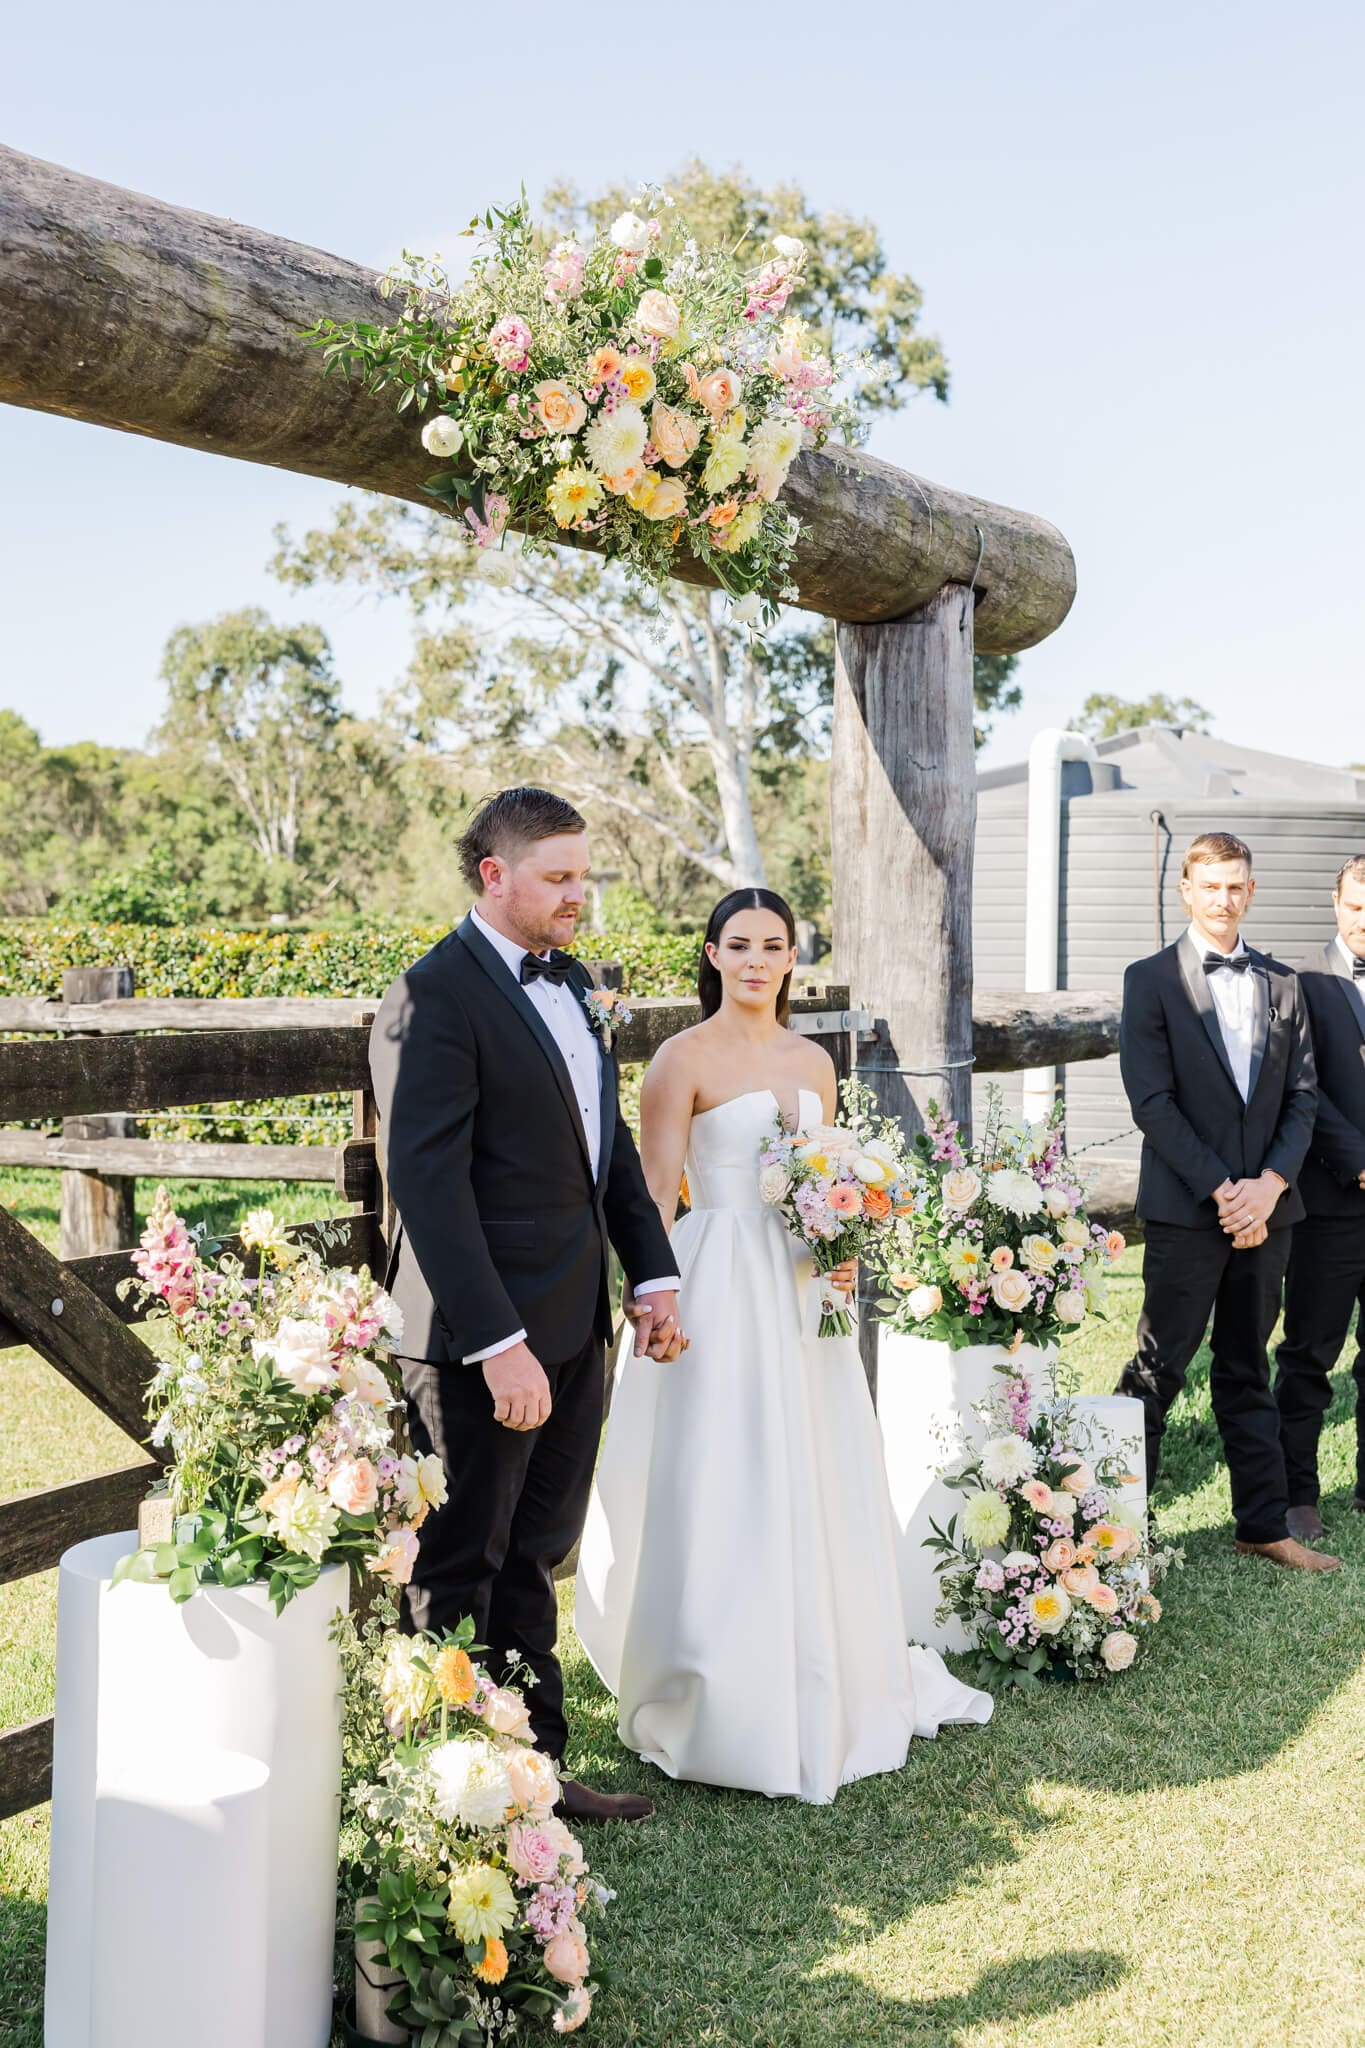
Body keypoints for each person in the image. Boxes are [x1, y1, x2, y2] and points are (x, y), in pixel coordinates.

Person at [575, 887, 993, 1803]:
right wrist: (646, 1296)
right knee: (723, 1467)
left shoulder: (814, 1062)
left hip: (806, 1289)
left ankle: (824, 1667)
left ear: (792, 958)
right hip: (715, 1277)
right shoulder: (678, 1060)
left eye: (774, 945)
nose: (757, 960)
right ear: (713, 954)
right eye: (740, 944)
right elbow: (649, 1193)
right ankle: (713, 1685)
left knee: (813, 1461)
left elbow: (829, 1177)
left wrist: (842, 1254)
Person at [369, 786, 686, 1823]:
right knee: (460, 1563)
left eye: (583, 874)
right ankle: (446, 1793)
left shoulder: (575, 985)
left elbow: (607, 1153)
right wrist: (498, 1341)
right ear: (492, 874)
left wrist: (651, 1273)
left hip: (573, 1326)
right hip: (479, 1339)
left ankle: (535, 1774)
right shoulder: (433, 995)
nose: (577, 895)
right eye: (558, 877)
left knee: (534, 1559)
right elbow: (427, 1180)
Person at [1114, 831, 1339, 1571]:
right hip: (1187, 1210)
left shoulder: (1283, 985)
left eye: (1236, 885)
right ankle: (1116, 1531)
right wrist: (1222, 1192)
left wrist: (1268, 1188)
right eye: (1210, 886)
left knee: (1246, 1366)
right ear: (1186, 889)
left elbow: (1303, 1098)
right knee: (1158, 1368)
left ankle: (1261, 1525)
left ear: (1251, 888)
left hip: (1268, 1211)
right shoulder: (1148, 980)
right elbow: (1152, 1103)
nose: (1223, 898)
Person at [1274, 854, 1365, 1538]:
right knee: (1309, 1351)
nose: (1364, 920)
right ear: (1335, 903)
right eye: (1355, 904)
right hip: (1332, 1200)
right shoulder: (1298, 981)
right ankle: (1296, 1494)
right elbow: (1298, 1084)